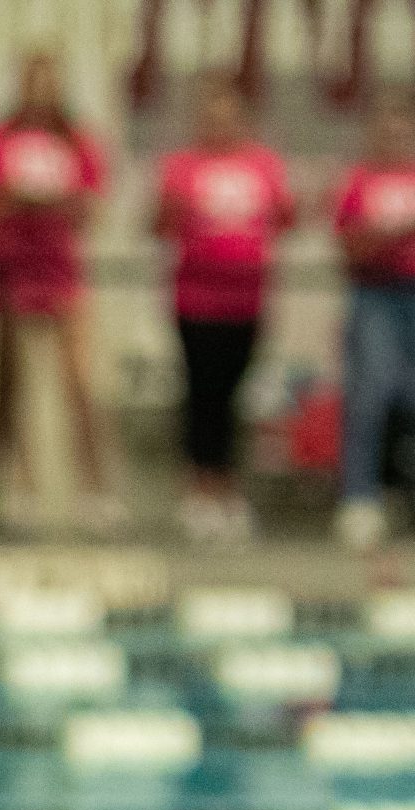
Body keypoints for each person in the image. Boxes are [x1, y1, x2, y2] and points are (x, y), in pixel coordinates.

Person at [0, 50, 119, 535]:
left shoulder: (76, 141)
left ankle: (94, 490)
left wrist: (54, 203)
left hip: (62, 273)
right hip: (12, 271)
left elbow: (93, 208)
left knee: (78, 384)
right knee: (13, 387)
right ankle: (16, 487)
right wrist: (16, 201)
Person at [155, 72, 293, 545]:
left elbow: (285, 219)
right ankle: (199, 486)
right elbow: (160, 225)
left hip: (247, 300)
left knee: (236, 395)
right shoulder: (182, 167)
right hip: (196, 300)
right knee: (201, 393)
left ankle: (229, 485)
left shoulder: (264, 166)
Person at [335, 94, 415, 553]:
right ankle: (360, 497)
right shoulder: (360, 182)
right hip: (376, 296)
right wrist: (395, 234)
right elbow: (350, 247)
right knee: (370, 395)